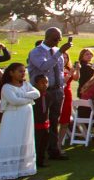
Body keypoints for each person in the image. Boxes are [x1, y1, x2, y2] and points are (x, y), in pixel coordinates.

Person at [27, 27, 72, 161]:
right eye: (56, 39)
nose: (58, 41)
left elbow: (59, 71)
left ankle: (54, 150)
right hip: (44, 92)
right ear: (48, 37)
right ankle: (39, 152)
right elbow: (43, 66)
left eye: (59, 39)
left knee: (54, 121)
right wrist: (60, 53)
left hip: (58, 90)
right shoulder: (37, 52)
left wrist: (62, 86)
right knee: (42, 122)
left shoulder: (56, 51)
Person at [0, 63, 40, 180]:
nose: (23, 73)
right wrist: (28, 98)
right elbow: (14, 101)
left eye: (24, 71)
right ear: (11, 73)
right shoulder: (6, 87)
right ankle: (7, 170)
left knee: (24, 138)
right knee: (12, 138)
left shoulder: (26, 84)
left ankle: (23, 168)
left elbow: (36, 93)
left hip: (26, 117)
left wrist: (22, 94)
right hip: (13, 116)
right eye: (20, 71)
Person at [58, 52, 78, 148]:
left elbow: (76, 78)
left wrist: (77, 70)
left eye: (66, 57)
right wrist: (70, 73)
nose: (65, 59)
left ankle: (60, 142)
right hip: (59, 93)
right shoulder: (56, 69)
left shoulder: (69, 68)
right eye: (63, 57)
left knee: (65, 120)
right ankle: (52, 141)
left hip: (68, 94)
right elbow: (63, 81)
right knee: (56, 118)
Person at [32, 75, 51, 169]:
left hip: (45, 123)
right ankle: (34, 160)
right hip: (35, 124)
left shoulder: (48, 95)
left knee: (44, 143)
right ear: (36, 84)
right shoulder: (33, 96)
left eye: (46, 82)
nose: (45, 85)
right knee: (37, 143)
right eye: (42, 83)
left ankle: (41, 160)